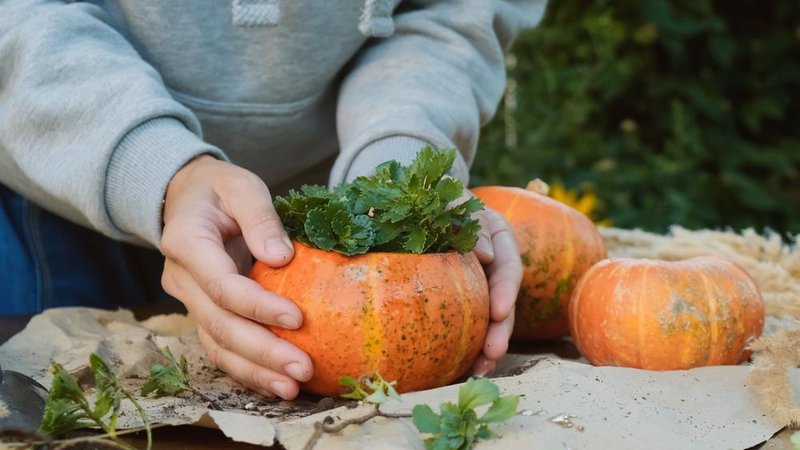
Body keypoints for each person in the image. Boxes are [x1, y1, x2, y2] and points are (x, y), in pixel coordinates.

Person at [0, 0, 546, 399]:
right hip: (61, 181)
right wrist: (157, 166)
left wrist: (400, 170)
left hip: (322, 209)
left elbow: (448, 14)